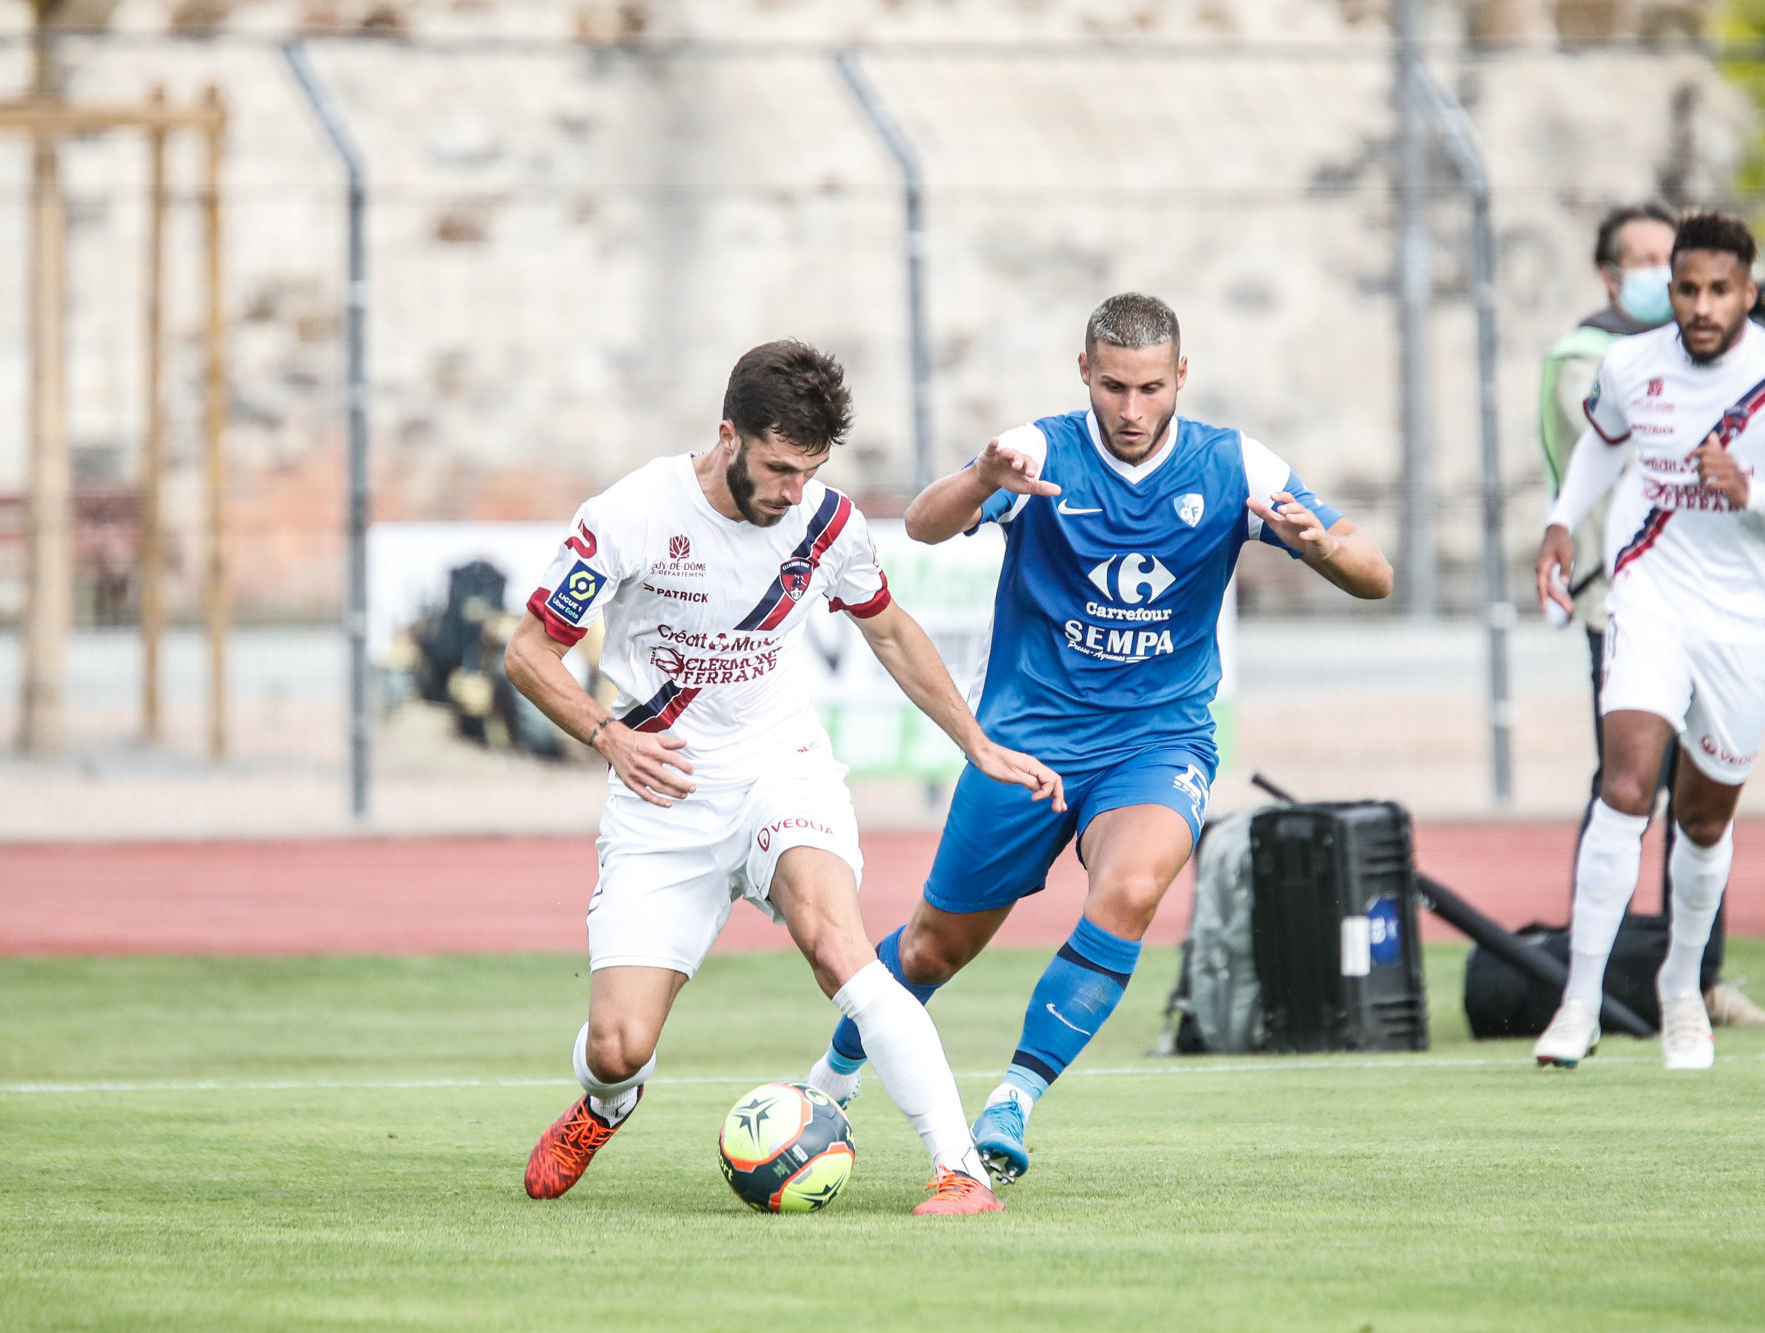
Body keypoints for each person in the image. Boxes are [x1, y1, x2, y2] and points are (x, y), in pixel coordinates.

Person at [803, 293, 1392, 1180]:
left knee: (1130, 888)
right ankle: (831, 1079)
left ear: (1180, 378)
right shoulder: (1041, 452)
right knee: (931, 946)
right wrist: (982, 480)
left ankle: (1013, 1101)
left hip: (1159, 739)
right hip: (1028, 741)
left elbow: (1374, 574)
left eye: (1151, 387)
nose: (1131, 408)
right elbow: (921, 527)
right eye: (1113, 386)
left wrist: (1325, 546)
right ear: (1085, 373)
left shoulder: (1234, 465)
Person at [505, 339, 1067, 1215]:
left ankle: (960, 1169)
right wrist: (607, 735)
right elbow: (527, 651)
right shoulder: (631, 513)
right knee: (618, 1044)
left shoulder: (828, 524)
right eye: (776, 469)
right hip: (662, 794)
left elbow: (890, 631)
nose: (791, 492)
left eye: (808, 471)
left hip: (780, 771)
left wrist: (975, 742)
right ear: (728, 436)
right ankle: (606, 1104)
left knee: (841, 948)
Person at [1532, 212, 1765, 1071]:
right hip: (1647, 595)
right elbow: (1601, 449)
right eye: (1686, 287)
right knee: (1624, 781)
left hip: (1744, 623)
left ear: (1748, 294)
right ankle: (1578, 1004)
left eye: (1718, 290)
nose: (1698, 304)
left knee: (1702, 815)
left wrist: (1757, 492)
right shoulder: (1628, 364)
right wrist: (1559, 522)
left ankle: (1683, 988)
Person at [1540, 204, 1765, 1028]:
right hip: (1626, 598)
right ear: (1616, 277)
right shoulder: (1586, 358)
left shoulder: (1735, 363)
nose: (1674, 287)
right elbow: (1630, 447)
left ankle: (1695, 977)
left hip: (1721, 606)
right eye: (1648, 263)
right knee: (1627, 783)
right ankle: (1589, 985)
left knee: (1703, 795)